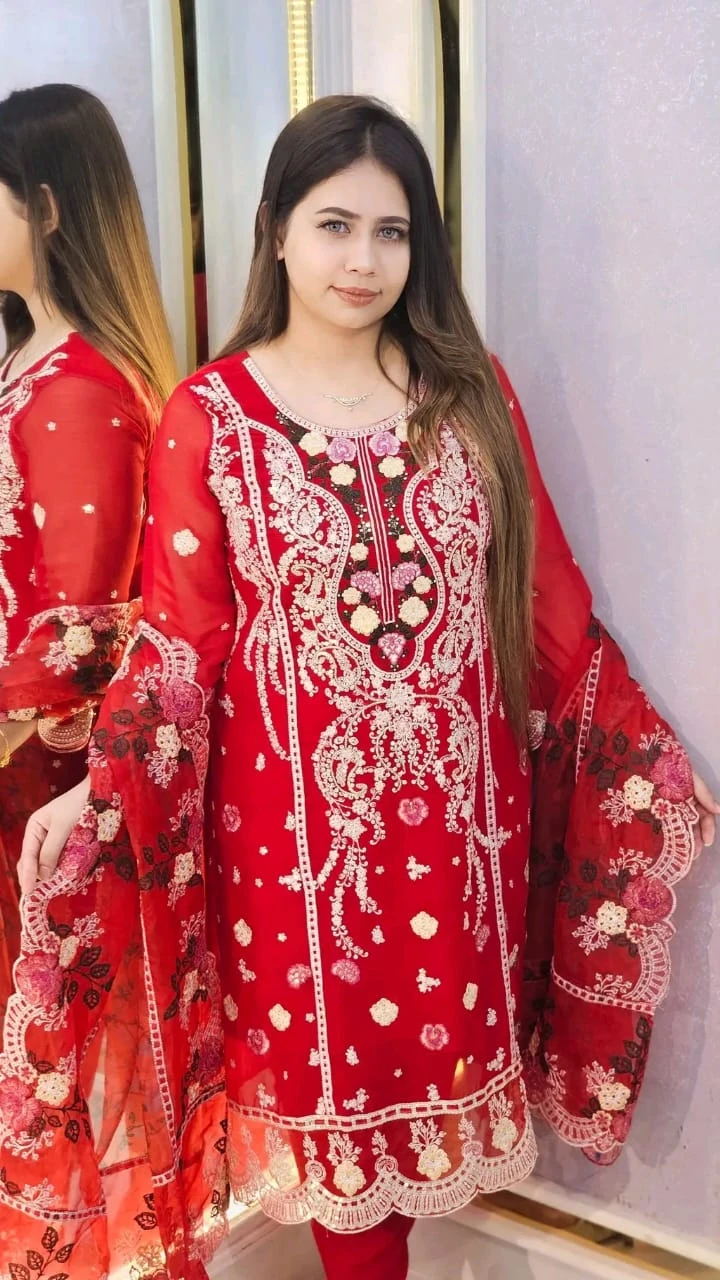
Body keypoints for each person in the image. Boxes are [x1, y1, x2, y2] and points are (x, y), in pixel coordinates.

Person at [0, 95, 716, 1280]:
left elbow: (548, 608)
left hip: (457, 841)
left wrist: (644, 750)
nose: (363, 260)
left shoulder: (471, 394)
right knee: (335, 1146)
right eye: (335, 225)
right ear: (277, 230)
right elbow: (182, 645)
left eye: (393, 232)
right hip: (296, 856)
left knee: (420, 1122)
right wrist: (99, 788)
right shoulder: (211, 418)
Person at [0, 83, 176, 1036]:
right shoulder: (30, 363)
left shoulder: (78, 388)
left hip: (32, 766)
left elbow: (82, 630)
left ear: (48, 207)